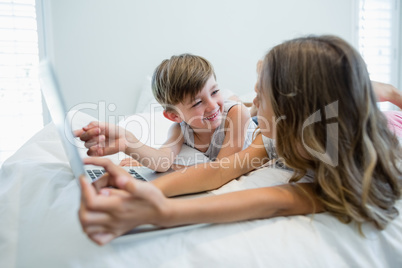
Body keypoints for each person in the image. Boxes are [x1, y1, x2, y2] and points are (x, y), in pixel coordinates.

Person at [78, 35, 402, 246]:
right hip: (339, 114)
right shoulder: (281, 133)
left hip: (386, 124)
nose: (250, 105)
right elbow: (272, 196)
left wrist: (159, 208)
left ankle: (387, 91)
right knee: (350, 94)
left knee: (359, 97)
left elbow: (234, 179)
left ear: (292, 114)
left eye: (259, 97)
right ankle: (382, 90)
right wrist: (149, 195)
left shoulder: (343, 173)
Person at [75, 54, 255, 171]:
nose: (212, 106)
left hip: (247, 120)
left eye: (215, 91)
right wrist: (128, 143)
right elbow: (162, 159)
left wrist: (173, 166)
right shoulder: (179, 129)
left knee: (248, 109)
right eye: (198, 103)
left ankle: (243, 101)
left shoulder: (236, 115)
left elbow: (221, 168)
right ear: (174, 116)